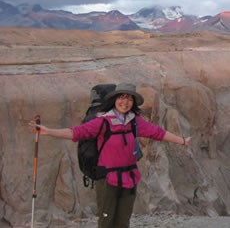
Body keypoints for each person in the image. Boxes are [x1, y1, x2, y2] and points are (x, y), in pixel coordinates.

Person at [29, 83, 191, 228]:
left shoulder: (134, 121)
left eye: (129, 99)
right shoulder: (103, 121)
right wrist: (49, 131)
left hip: (129, 177)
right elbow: (76, 133)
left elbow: (157, 133)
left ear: (133, 102)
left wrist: (181, 140)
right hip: (107, 179)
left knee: (123, 222)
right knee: (106, 221)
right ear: (114, 99)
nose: (125, 102)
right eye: (121, 97)